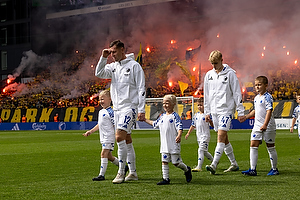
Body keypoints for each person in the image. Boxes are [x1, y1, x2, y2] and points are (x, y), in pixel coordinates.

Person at [95, 40, 146, 184]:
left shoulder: (134, 66)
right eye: (110, 52)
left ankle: (121, 172)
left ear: (122, 50)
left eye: (114, 52)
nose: (112, 55)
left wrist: (141, 109)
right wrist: (103, 57)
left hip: (129, 107)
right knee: (127, 140)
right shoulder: (113, 67)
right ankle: (134, 172)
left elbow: (141, 88)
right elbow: (98, 73)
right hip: (117, 109)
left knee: (118, 137)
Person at [204, 50, 245, 175]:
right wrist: (207, 111)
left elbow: (237, 92)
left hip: (226, 110)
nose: (214, 66)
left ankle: (214, 164)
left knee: (220, 137)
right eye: (212, 63)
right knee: (224, 139)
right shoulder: (209, 75)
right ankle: (234, 164)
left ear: (222, 60)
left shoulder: (230, 74)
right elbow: (206, 95)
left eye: (215, 63)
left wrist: (240, 111)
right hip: (215, 112)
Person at [144, 94, 192, 185]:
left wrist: (179, 135)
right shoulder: (162, 116)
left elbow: (179, 127)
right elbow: (154, 124)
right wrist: (144, 120)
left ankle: (187, 169)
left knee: (176, 163)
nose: (165, 105)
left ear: (173, 104)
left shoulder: (175, 116)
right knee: (164, 161)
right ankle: (166, 179)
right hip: (164, 144)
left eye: (167, 103)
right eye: (163, 103)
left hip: (173, 143)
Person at [241, 76, 279, 176]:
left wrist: (265, 124)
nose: (257, 87)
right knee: (253, 145)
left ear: (265, 85)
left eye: (259, 84)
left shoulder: (268, 97)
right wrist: (246, 117)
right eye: (256, 85)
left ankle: (274, 169)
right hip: (257, 125)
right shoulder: (257, 98)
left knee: (270, 147)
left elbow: (269, 110)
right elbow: (255, 110)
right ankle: (253, 169)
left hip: (268, 126)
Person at [83, 90, 120, 181]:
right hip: (103, 137)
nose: (101, 101)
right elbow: (100, 124)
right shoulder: (101, 111)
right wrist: (90, 131)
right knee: (109, 156)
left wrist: (117, 134)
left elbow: (115, 124)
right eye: (100, 99)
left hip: (109, 136)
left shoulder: (111, 112)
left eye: (103, 99)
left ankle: (101, 175)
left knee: (103, 153)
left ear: (110, 99)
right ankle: (123, 166)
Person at [185, 97, 214, 172]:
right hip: (199, 136)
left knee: (200, 150)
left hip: (205, 136)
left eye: (201, 105)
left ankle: (199, 167)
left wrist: (210, 121)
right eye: (198, 105)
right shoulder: (196, 115)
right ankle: (214, 162)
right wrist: (188, 133)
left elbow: (213, 125)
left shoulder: (207, 115)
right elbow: (193, 125)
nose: (199, 107)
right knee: (204, 152)